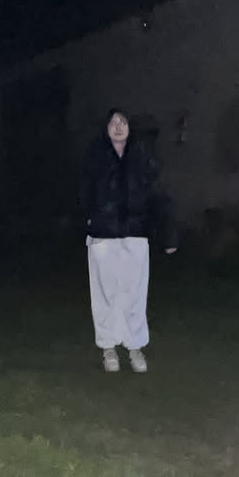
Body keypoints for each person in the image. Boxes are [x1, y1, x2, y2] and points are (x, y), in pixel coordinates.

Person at [81, 106, 176, 373]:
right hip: (103, 236)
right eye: (113, 122)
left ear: (130, 128)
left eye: (122, 122)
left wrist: (168, 233)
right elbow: (83, 192)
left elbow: (158, 195)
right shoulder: (96, 158)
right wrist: (87, 220)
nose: (118, 126)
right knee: (105, 294)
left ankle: (135, 347)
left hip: (135, 234)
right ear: (106, 129)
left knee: (134, 293)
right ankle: (108, 347)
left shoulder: (141, 159)